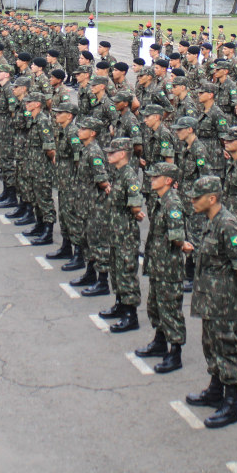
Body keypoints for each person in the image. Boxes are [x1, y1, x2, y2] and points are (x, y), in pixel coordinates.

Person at [185, 175, 237, 429]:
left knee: (229, 349)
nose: (192, 201)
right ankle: (215, 390)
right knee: (212, 345)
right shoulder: (210, 221)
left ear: (212, 198)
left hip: (226, 301)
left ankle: (231, 404)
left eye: (197, 197)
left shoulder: (227, 224)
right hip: (210, 300)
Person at [135, 161, 187, 374]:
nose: (151, 179)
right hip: (158, 262)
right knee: (156, 305)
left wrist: (183, 244)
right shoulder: (161, 200)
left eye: (155, 177)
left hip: (168, 266)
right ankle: (159, 341)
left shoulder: (172, 203)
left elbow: (176, 236)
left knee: (170, 308)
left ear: (168, 181)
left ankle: (175, 353)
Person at [97, 137, 144, 333]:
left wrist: (135, 212)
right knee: (116, 271)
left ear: (123, 154)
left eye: (112, 153)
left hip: (125, 233)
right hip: (115, 232)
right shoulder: (118, 173)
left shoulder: (129, 176)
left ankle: (130, 314)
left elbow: (135, 204)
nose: (108, 155)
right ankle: (120, 304)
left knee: (126, 272)